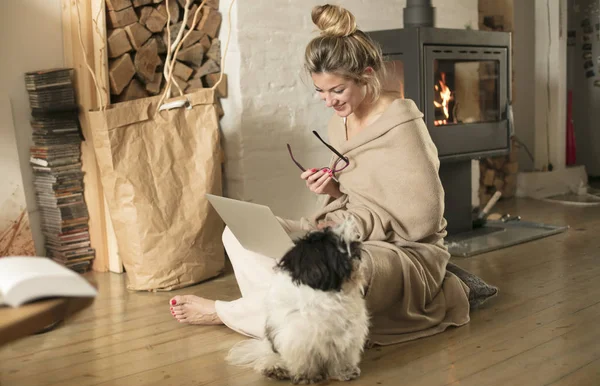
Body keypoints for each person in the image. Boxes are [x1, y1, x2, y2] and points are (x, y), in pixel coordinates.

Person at [169, 4, 472, 346]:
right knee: (237, 234)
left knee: (331, 273)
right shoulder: (340, 121)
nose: (327, 101)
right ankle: (288, 316)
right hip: (341, 231)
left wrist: (347, 228)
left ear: (367, 75)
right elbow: (356, 191)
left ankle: (228, 313)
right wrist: (332, 188)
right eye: (320, 91)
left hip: (398, 252)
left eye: (337, 90)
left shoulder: (402, 125)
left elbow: (422, 220)